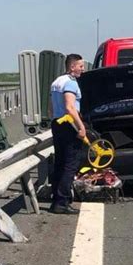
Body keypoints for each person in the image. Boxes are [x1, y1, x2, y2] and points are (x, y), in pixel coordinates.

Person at [48, 54, 86, 214]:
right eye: (81, 66)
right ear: (72, 67)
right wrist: (81, 127)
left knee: (60, 162)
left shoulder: (56, 82)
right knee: (70, 164)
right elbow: (70, 107)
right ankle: (62, 203)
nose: (83, 70)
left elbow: (50, 108)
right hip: (69, 124)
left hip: (57, 123)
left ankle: (56, 199)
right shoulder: (70, 83)